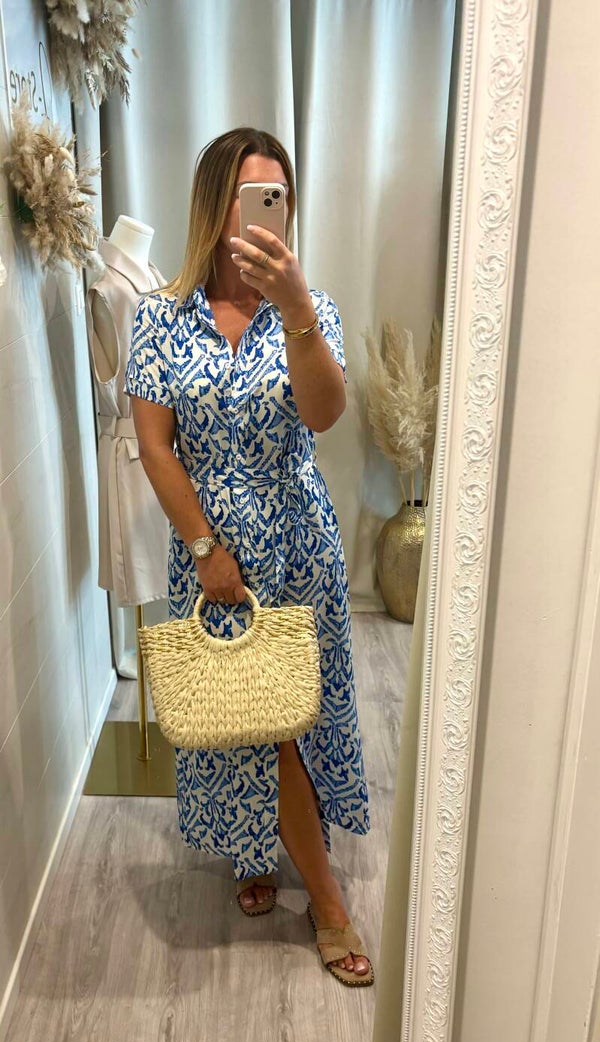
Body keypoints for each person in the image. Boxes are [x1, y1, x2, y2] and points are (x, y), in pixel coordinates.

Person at [125, 127, 373, 987]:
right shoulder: (160, 316)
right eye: (249, 199)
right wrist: (204, 548)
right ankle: (305, 885)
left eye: (278, 198)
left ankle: (298, 874)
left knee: (293, 713)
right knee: (248, 718)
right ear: (213, 207)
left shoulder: (311, 307)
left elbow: (325, 414)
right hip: (213, 554)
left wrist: (296, 308)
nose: (265, 216)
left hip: (299, 542)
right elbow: (155, 446)